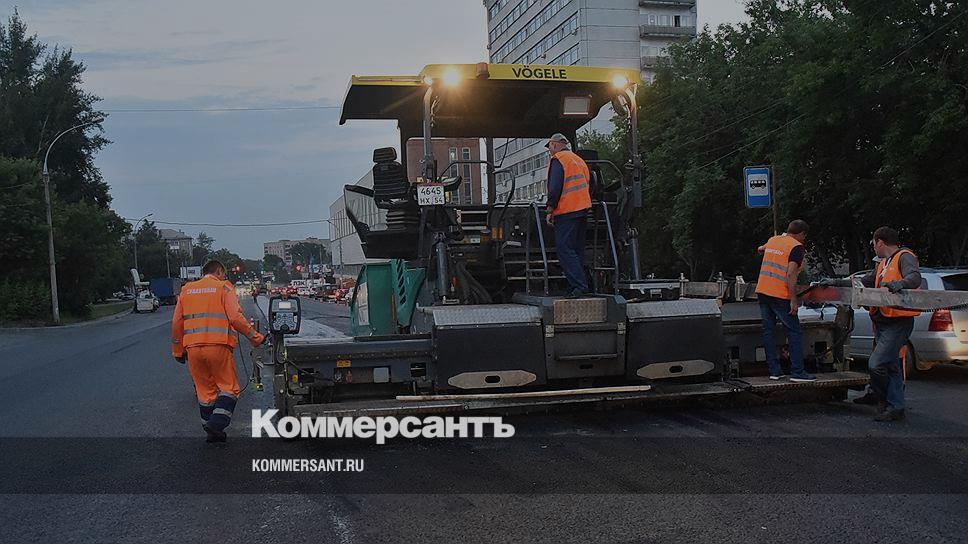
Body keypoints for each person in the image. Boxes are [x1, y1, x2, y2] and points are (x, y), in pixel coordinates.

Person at [832, 226, 921, 422]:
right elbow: (864, 281)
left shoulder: (904, 256)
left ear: (880, 242)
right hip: (883, 322)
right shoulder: (883, 264)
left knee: (876, 364)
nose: (873, 247)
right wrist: (835, 283)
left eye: (873, 244)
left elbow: (915, 277)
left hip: (898, 322)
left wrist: (900, 284)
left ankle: (885, 400)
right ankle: (896, 407)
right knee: (890, 366)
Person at [172, 260, 265, 443]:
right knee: (229, 388)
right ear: (220, 271)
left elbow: (177, 322)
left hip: (193, 349)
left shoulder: (187, 290)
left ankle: (212, 433)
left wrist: (178, 351)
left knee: (205, 392)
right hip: (218, 346)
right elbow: (235, 318)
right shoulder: (223, 287)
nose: (224, 276)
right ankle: (216, 424)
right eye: (224, 273)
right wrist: (256, 338)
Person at [755, 220, 816, 382]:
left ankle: (774, 371)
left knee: (768, 331)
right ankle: (798, 372)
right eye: (804, 236)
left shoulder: (773, 240)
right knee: (794, 331)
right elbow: (790, 274)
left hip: (763, 291)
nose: (804, 239)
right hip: (780, 295)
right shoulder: (796, 247)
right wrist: (793, 300)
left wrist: (762, 250)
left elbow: (761, 248)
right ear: (801, 234)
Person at [544, 133, 592, 298]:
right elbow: (588, 185)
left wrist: (550, 209)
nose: (550, 151)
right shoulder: (578, 160)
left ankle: (579, 285)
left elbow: (555, 187)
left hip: (567, 210)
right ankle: (575, 286)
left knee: (564, 248)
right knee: (576, 249)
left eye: (550, 147)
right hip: (582, 209)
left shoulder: (558, 159)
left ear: (555, 145)